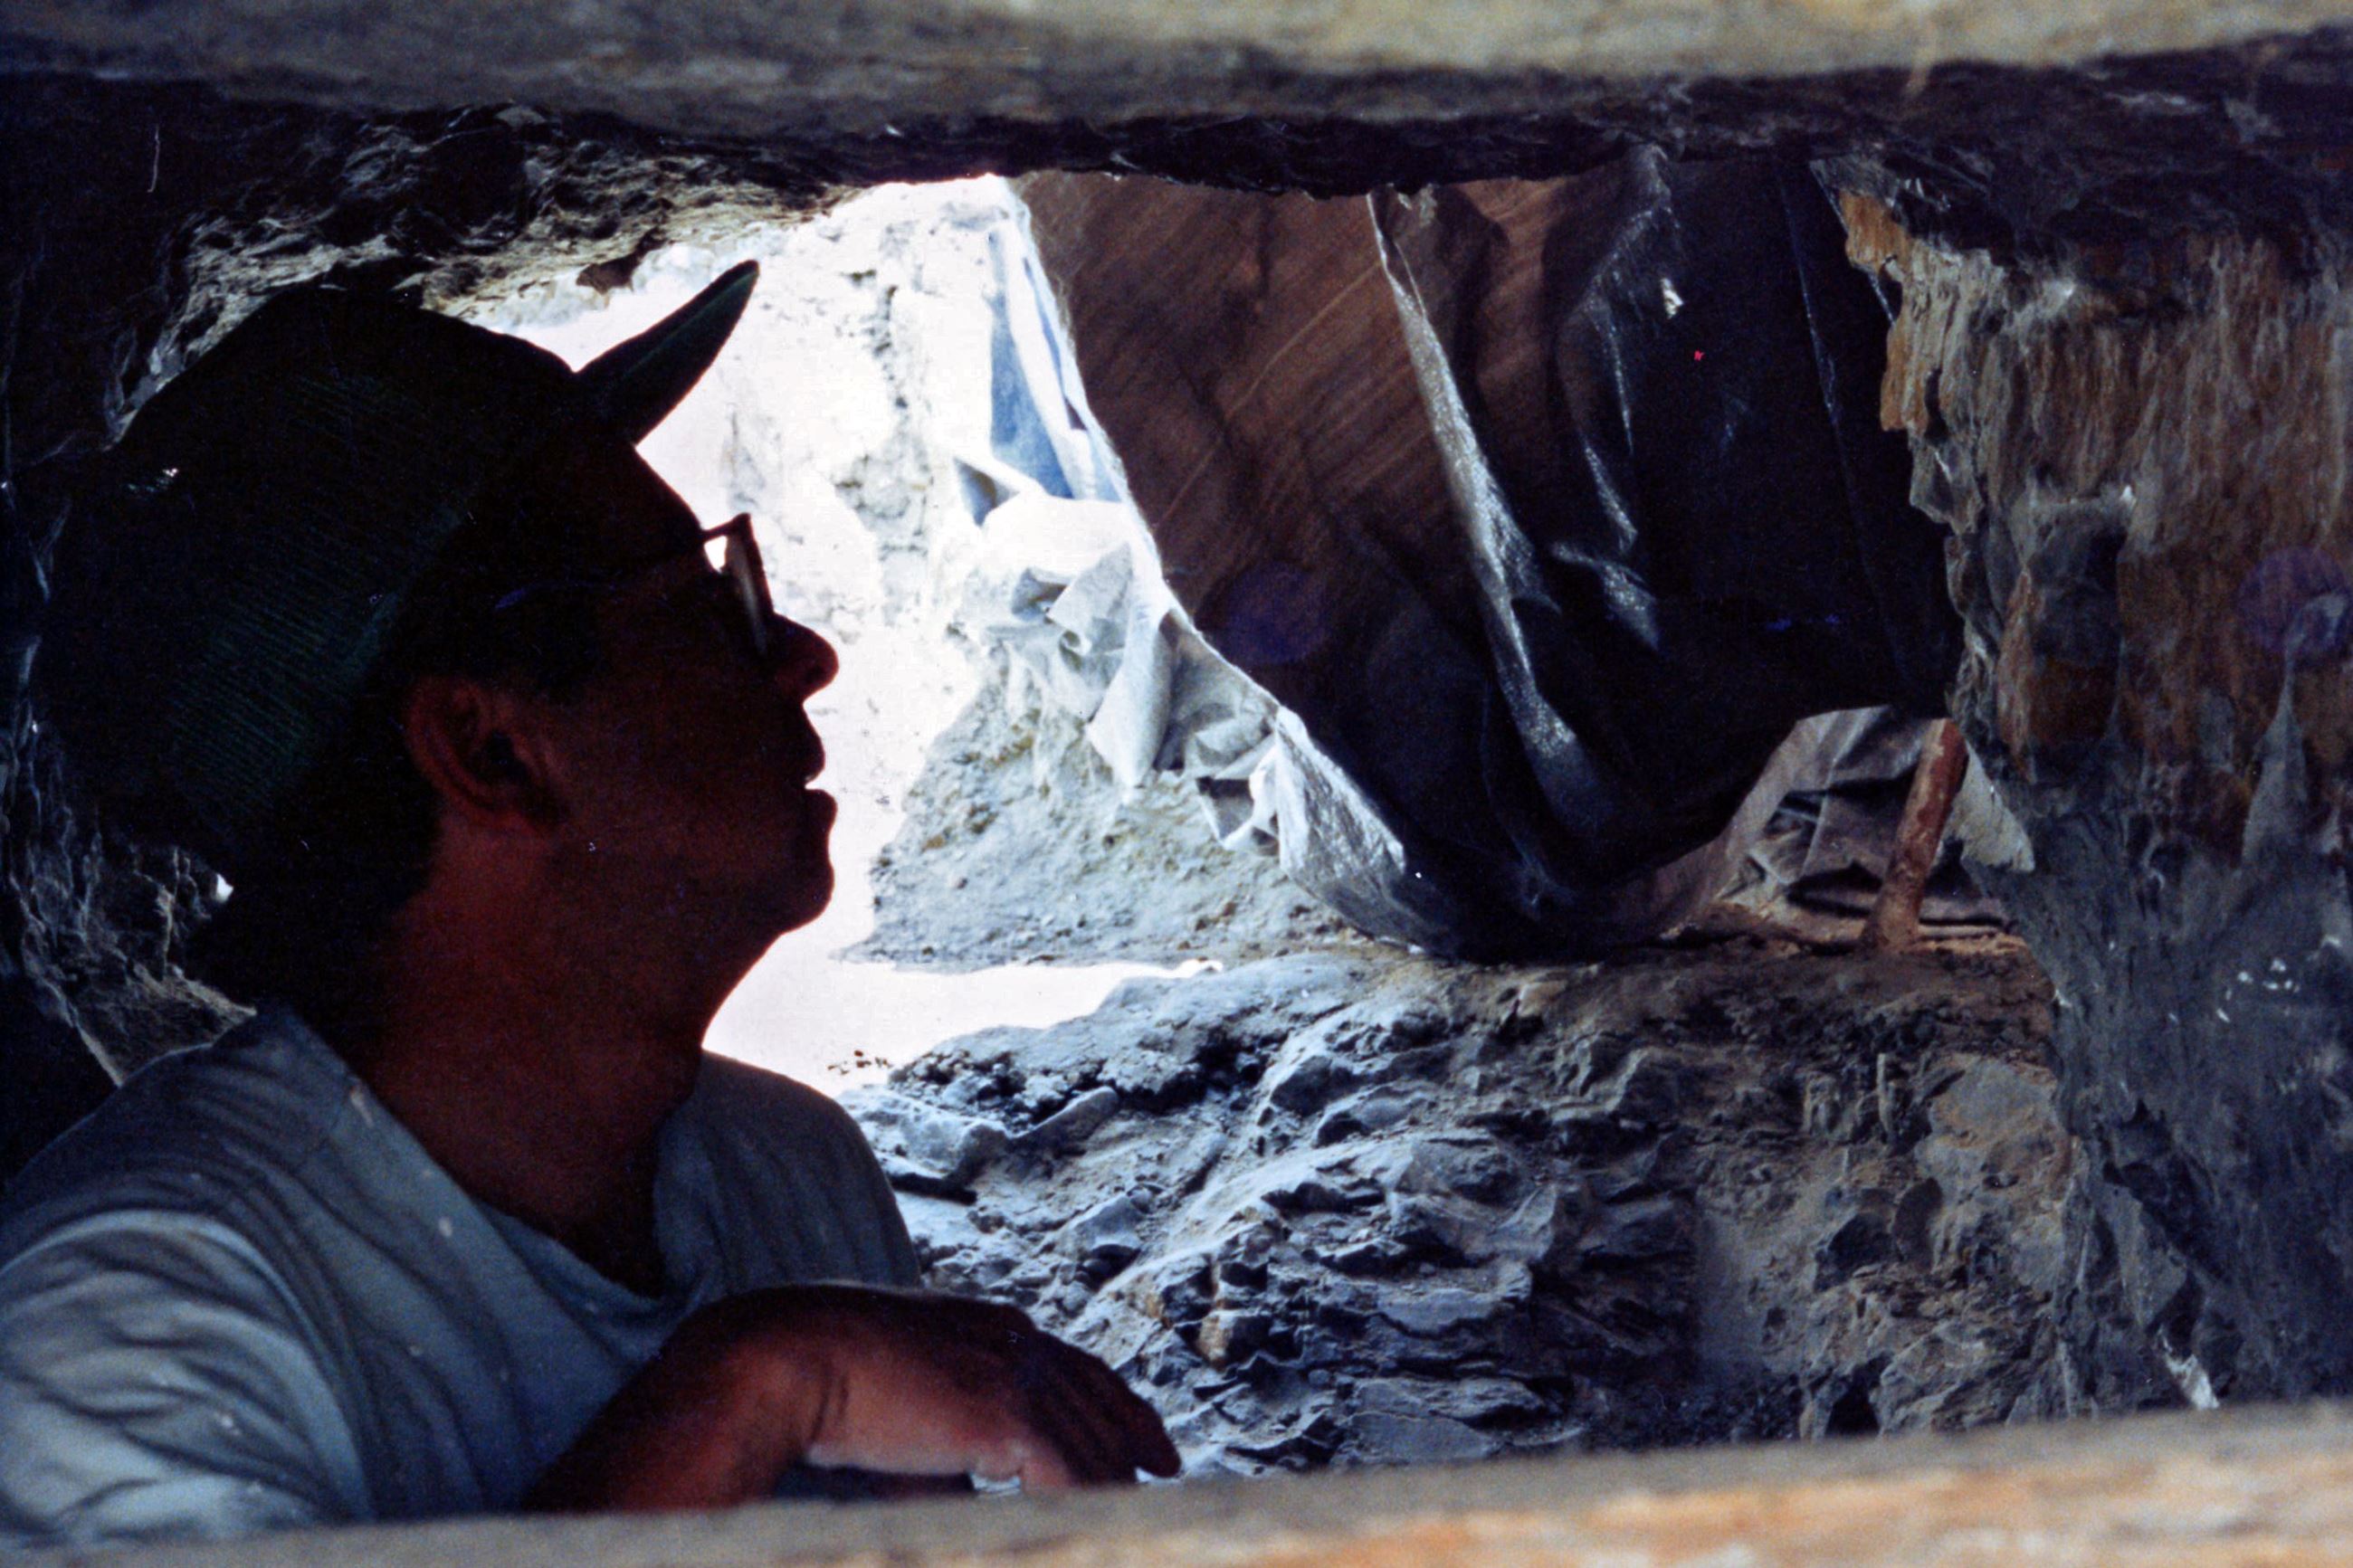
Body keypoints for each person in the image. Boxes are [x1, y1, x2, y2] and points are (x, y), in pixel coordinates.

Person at [0, 262, 1178, 1547]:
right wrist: (755, 1392)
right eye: (707, 601)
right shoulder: (124, 1313)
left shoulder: (790, 1168)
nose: (802, 655)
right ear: (492, 752)